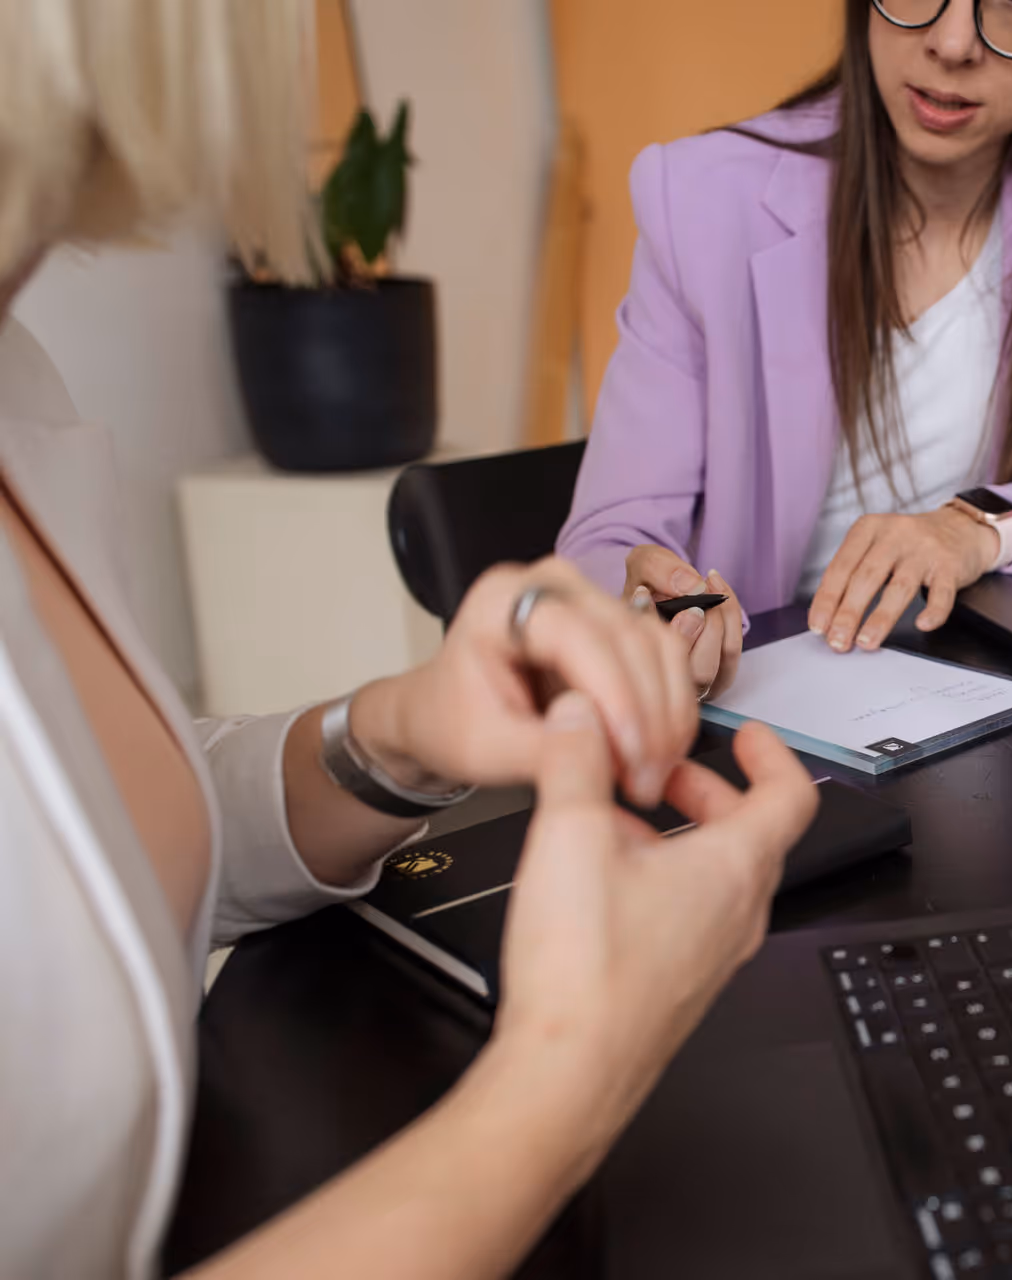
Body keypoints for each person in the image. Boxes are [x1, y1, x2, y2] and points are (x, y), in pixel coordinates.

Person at [0, 3, 817, 1275]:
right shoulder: (705, 199)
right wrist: (568, 1069)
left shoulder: (20, 376)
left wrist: (390, 737)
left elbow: (99, 840)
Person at [557, 0, 1012, 697]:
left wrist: (977, 527)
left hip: (981, 694)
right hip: (752, 707)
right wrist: (651, 609)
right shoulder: (703, 197)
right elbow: (607, 541)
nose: (952, 42)